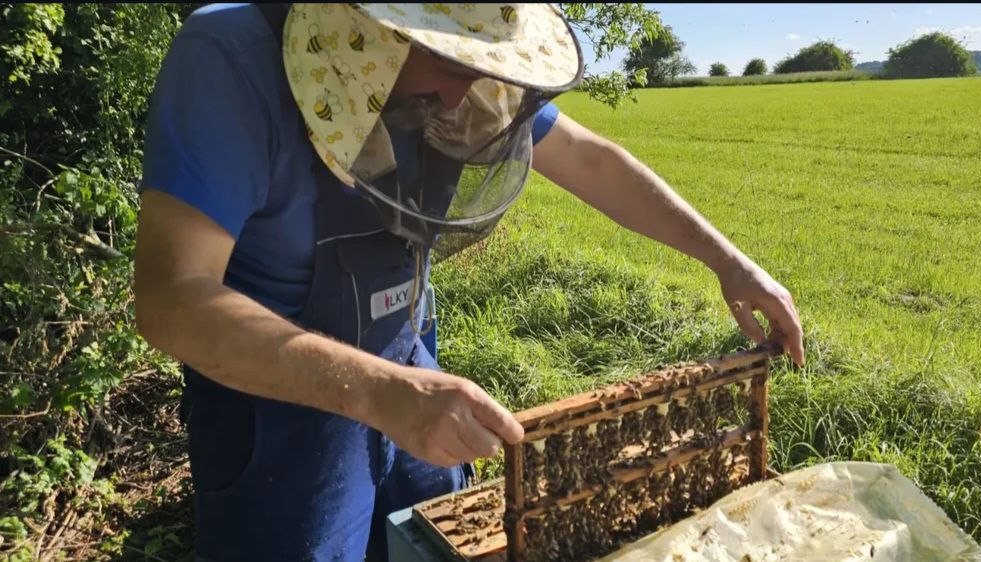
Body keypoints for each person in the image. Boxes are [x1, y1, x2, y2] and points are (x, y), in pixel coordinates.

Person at [133, 3, 805, 561]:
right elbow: (171, 300)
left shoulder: (472, 79)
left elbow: (588, 159)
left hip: (409, 368)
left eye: (480, 64)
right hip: (278, 412)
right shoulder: (229, 61)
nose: (462, 93)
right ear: (366, 25)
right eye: (447, 58)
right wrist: (385, 393)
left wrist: (728, 260)